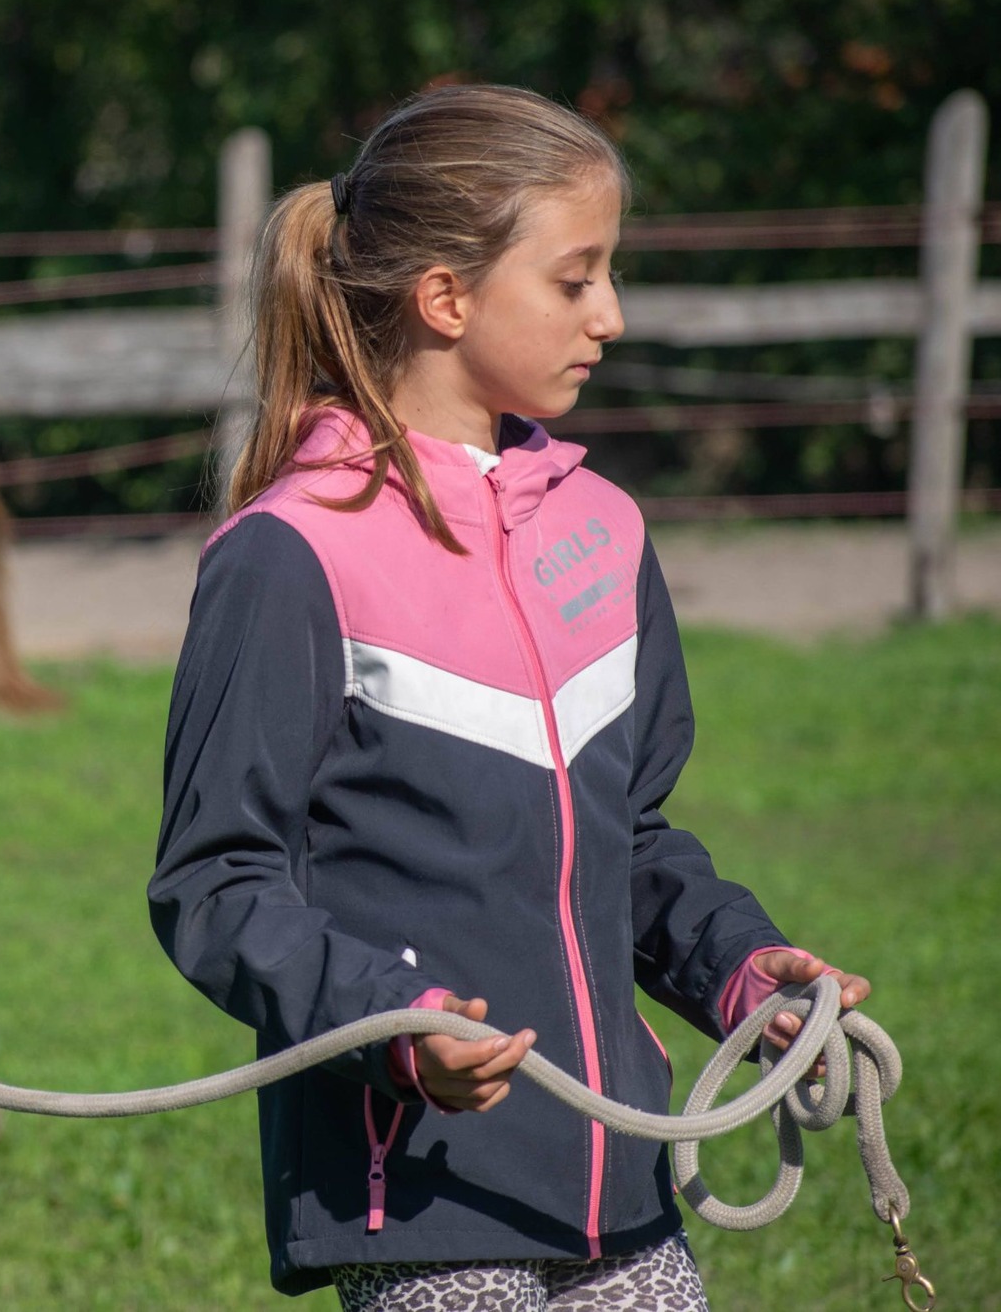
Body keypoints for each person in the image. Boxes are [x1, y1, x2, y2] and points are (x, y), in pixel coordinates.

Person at [147, 84, 871, 1312]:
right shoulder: (288, 557)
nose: (612, 316)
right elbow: (216, 886)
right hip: (421, 1194)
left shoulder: (602, 528)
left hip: (620, 1182)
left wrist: (741, 972)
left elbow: (628, 841)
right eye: (574, 278)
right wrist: (393, 1024)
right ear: (444, 298)